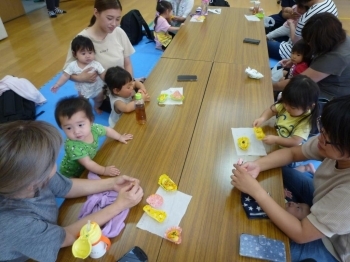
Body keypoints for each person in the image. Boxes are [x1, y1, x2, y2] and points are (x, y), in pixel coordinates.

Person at [0, 120, 143, 262]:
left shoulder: (30, 174)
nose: (54, 163)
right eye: (51, 162)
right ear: (32, 182)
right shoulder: (15, 225)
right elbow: (65, 237)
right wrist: (119, 205)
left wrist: (112, 183)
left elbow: (66, 187)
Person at [231, 95, 350, 261]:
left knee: (261, 246)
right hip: (322, 201)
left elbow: (301, 233)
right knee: (283, 172)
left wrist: (257, 191)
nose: (320, 137)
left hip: (333, 246)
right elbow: (293, 153)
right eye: (323, 129)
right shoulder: (332, 141)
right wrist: (258, 165)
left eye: (328, 138)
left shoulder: (346, 196)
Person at [64, 0, 147, 96]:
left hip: (123, 85)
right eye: (109, 18)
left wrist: (130, 84)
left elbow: (127, 64)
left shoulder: (118, 32)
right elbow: (67, 72)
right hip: (102, 93)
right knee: (130, 106)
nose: (114, 24)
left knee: (147, 93)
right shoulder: (81, 40)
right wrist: (80, 78)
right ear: (96, 13)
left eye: (117, 19)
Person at [274, 13, 350, 100]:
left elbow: (300, 82)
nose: (309, 43)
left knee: (286, 98)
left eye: (311, 41)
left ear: (322, 41)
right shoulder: (337, 36)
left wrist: (271, 87)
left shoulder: (337, 56)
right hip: (319, 80)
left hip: (329, 95)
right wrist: (296, 60)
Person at [55, 96, 133, 178]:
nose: (76, 131)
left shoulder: (93, 128)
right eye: (69, 128)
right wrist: (104, 170)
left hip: (89, 164)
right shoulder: (72, 146)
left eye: (80, 125)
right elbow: (88, 163)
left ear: (91, 120)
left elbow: (107, 130)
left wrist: (120, 137)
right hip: (71, 173)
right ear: (62, 128)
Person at [253, 75, 319, 148]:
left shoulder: (305, 122)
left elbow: (295, 142)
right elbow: (272, 110)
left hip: (288, 150)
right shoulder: (288, 104)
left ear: (309, 106)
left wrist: (276, 140)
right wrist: (262, 118)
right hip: (275, 136)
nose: (286, 108)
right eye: (285, 103)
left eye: (293, 107)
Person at [267, 0, 337, 61]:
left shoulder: (305, 17)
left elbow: (296, 43)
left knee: (263, 44)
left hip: (299, 53)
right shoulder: (329, 2)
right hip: (316, 50)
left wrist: (291, 24)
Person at [52, 35, 106, 114]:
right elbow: (65, 75)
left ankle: (96, 106)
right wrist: (58, 84)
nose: (88, 56)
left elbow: (103, 74)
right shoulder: (73, 66)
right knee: (83, 102)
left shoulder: (96, 64)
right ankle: (86, 111)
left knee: (99, 99)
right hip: (83, 90)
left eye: (90, 52)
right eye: (83, 53)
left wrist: (109, 81)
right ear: (75, 55)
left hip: (96, 88)